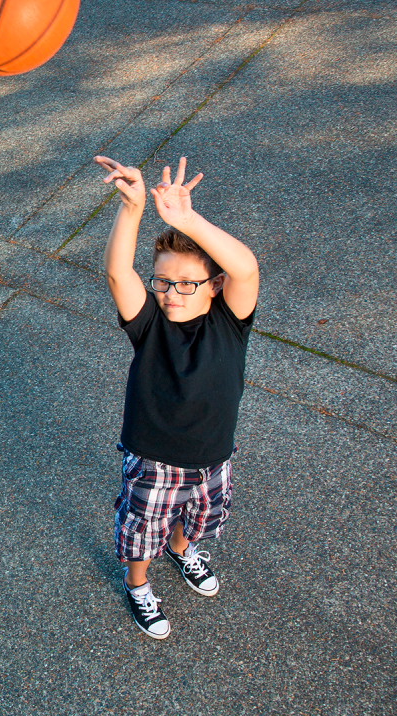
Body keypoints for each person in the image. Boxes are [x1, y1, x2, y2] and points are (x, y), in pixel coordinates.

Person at [94, 155, 260, 639]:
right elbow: (118, 274)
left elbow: (246, 268)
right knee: (143, 530)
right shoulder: (149, 325)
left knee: (199, 514)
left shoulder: (229, 324)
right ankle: (138, 584)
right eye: (163, 281)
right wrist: (133, 209)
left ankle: (183, 549)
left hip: (214, 454)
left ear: (215, 286)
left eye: (187, 283)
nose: (172, 292)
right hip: (155, 459)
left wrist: (186, 220)